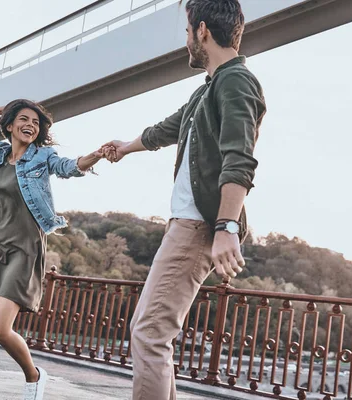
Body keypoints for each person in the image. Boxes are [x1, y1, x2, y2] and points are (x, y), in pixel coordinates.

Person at [102, 1, 266, 398]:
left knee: (150, 333)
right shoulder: (208, 89)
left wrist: (226, 226)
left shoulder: (236, 82)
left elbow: (239, 158)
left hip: (199, 226)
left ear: (203, 31)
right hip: (186, 224)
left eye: (187, 31)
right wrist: (126, 146)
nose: (186, 40)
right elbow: (166, 129)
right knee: (149, 328)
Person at [0, 99, 104, 400]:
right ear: (9, 125)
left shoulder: (42, 156)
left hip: (25, 248)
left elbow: (70, 167)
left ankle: (34, 375)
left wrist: (95, 156)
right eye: (23, 119)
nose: (31, 126)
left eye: (36, 123)